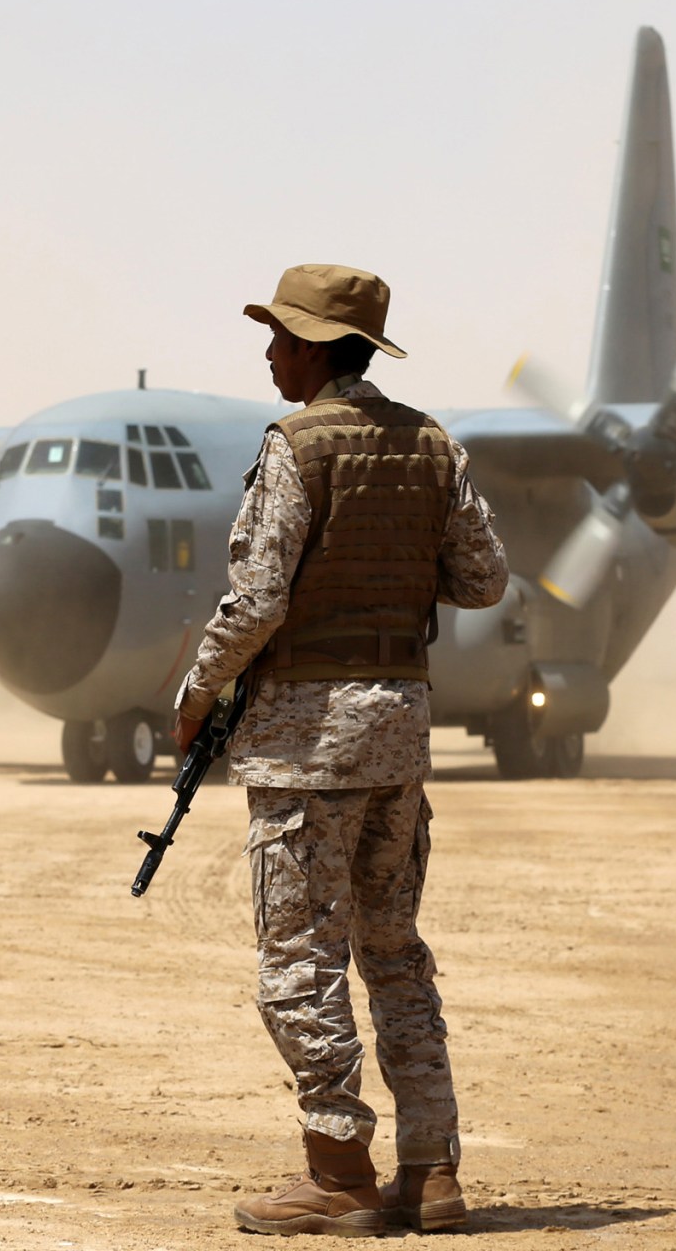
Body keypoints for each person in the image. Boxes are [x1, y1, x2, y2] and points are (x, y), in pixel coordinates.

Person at [173, 263, 509, 1237]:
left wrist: (199, 691)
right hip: (398, 732)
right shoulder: (432, 445)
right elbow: (482, 578)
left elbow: (256, 598)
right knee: (394, 951)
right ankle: (430, 1173)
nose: (268, 351)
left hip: (305, 743)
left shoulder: (296, 447)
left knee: (302, 959)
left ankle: (337, 1171)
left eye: (280, 336)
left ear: (318, 348)